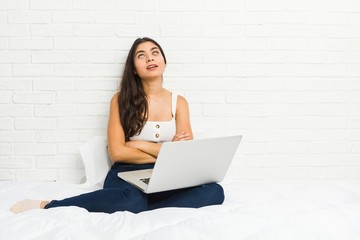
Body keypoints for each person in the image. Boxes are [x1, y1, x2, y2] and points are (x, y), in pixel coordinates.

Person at [10, 37, 224, 214]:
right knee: (131, 200)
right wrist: (165, 151)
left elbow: (184, 154)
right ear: (133, 68)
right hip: (126, 173)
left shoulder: (180, 102)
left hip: (165, 173)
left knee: (215, 192)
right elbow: (118, 153)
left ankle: (144, 206)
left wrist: (137, 145)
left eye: (155, 52)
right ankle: (48, 205)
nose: (150, 57)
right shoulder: (120, 100)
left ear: (164, 61)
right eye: (141, 55)